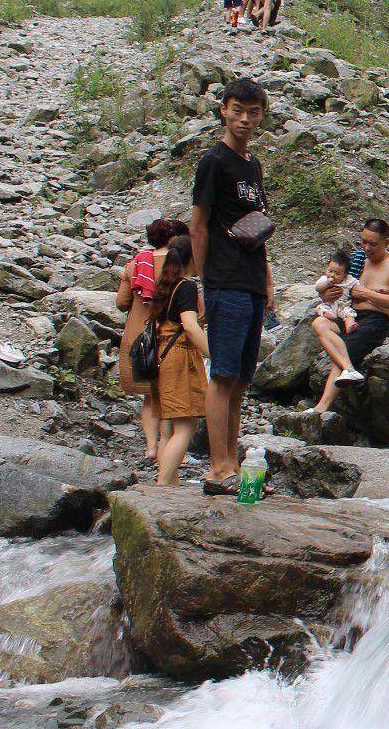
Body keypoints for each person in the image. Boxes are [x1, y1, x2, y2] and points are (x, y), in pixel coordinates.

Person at [191, 77, 274, 495]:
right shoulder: (214, 162)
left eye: (253, 112)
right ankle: (217, 468)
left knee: (241, 379)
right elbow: (199, 225)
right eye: (237, 110)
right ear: (224, 109)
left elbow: (258, 228)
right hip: (224, 280)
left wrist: (269, 282)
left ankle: (233, 462)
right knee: (222, 375)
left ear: (261, 115)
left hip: (252, 280)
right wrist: (202, 283)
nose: (245, 119)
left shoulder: (252, 166)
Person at [310, 218, 389, 414]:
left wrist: (367, 294)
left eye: (373, 244)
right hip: (348, 312)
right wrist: (325, 294)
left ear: (387, 242)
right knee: (319, 322)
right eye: (363, 241)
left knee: (347, 346)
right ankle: (349, 369)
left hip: (375, 318)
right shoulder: (356, 260)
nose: (367, 247)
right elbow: (334, 283)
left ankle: (321, 407)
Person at [116, 217, 186, 460]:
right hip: (169, 338)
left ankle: (150, 447)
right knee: (167, 395)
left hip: (139, 337)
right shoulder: (180, 265)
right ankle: (168, 445)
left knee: (149, 397)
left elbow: (121, 303)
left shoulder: (133, 265)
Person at [147, 235, 211, 487]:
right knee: (185, 428)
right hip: (179, 358)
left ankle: (169, 483)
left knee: (170, 429)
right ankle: (163, 486)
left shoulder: (166, 284)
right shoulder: (185, 287)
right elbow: (191, 327)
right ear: (191, 257)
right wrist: (212, 353)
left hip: (161, 358)